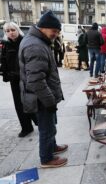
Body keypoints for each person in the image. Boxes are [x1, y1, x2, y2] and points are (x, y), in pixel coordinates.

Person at [19, 10, 68, 168]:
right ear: (43, 28)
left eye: (58, 32)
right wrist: (49, 101)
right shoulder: (35, 45)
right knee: (46, 128)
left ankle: (51, 147)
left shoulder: (38, 41)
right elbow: (36, 80)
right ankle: (46, 158)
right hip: (40, 98)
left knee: (50, 125)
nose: (56, 34)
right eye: (54, 31)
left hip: (42, 96)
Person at [0, 22, 37, 137]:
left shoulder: (25, 42)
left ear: (17, 30)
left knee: (30, 101)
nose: (11, 33)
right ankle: (26, 127)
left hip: (27, 78)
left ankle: (38, 121)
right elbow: (4, 60)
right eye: (8, 31)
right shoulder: (5, 44)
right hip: (14, 79)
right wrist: (5, 74)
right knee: (18, 104)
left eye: (12, 30)